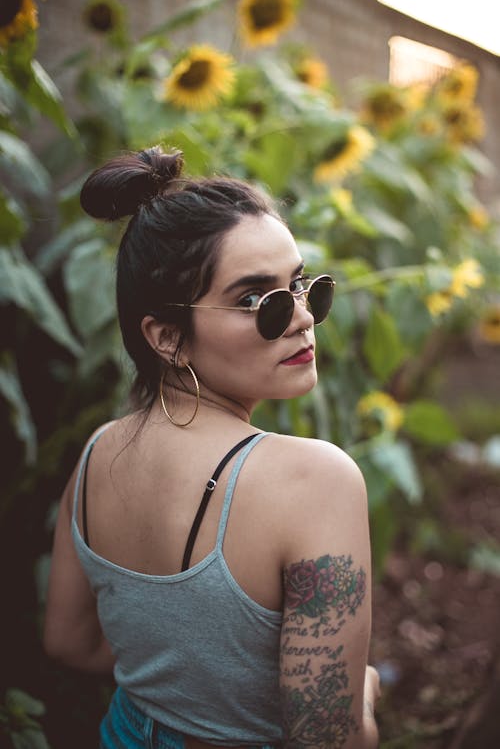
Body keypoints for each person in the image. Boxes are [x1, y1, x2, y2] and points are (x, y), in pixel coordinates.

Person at [44, 144, 380, 749]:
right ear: (168, 336)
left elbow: (69, 640)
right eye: (257, 300)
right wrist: (364, 699)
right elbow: (330, 741)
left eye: (302, 285)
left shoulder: (98, 453)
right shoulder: (314, 479)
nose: (302, 317)